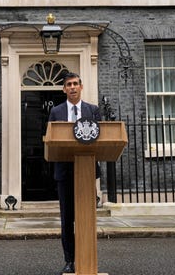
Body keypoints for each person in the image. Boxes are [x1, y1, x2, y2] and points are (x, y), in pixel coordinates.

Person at [47, 72, 101, 274]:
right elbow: (51, 139)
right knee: (67, 219)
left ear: (81, 86)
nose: (72, 87)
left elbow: (99, 138)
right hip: (64, 172)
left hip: (86, 172)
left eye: (75, 84)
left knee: (86, 219)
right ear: (64, 89)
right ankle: (70, 261)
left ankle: (87, 260)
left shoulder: (93, 111)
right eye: (68, 84)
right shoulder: (56, 111)